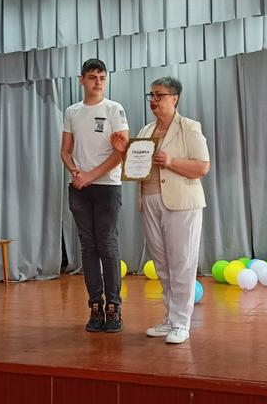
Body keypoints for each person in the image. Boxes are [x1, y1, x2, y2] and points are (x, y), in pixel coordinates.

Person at [111, 76, 210, 344]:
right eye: (151, 95)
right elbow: (137, 167)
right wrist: (123, 153)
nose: (153, 100)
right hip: (150, 201)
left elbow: (202, 167)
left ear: (174, 98)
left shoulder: (189, 127)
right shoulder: (145, 131)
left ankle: (181, 323)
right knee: (162, 264)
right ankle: (170, 318)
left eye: (159, 95)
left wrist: (171, 161)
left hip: (182, 203)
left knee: (182, 263)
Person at [61, 59, 129, 333]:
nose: (98, 82)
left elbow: (121, 151)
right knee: (88, 247)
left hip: (107, 186)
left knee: (107, 245)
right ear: (82, 80)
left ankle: (113, 306)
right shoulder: (72, 111)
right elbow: (65, 151)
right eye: (92, 77)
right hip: (79, 187)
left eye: (102, 77)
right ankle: (95, 306)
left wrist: (91, 175)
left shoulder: (114, 109)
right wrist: (75, 171)